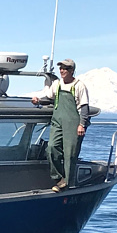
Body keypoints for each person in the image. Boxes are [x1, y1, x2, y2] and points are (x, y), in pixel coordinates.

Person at [31, 58, 90, 192]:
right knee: (51, 148)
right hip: (57, 121)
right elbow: (49, 97)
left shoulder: (79, 86)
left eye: (65, 68)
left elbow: (84, 107)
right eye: (61, 68)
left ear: (72, 71)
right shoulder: (57, 84)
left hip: (73, 122)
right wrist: (38, 100)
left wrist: (82, 124)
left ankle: (67, 183)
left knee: (70, 153)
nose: (62, 71)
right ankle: (58, 178)